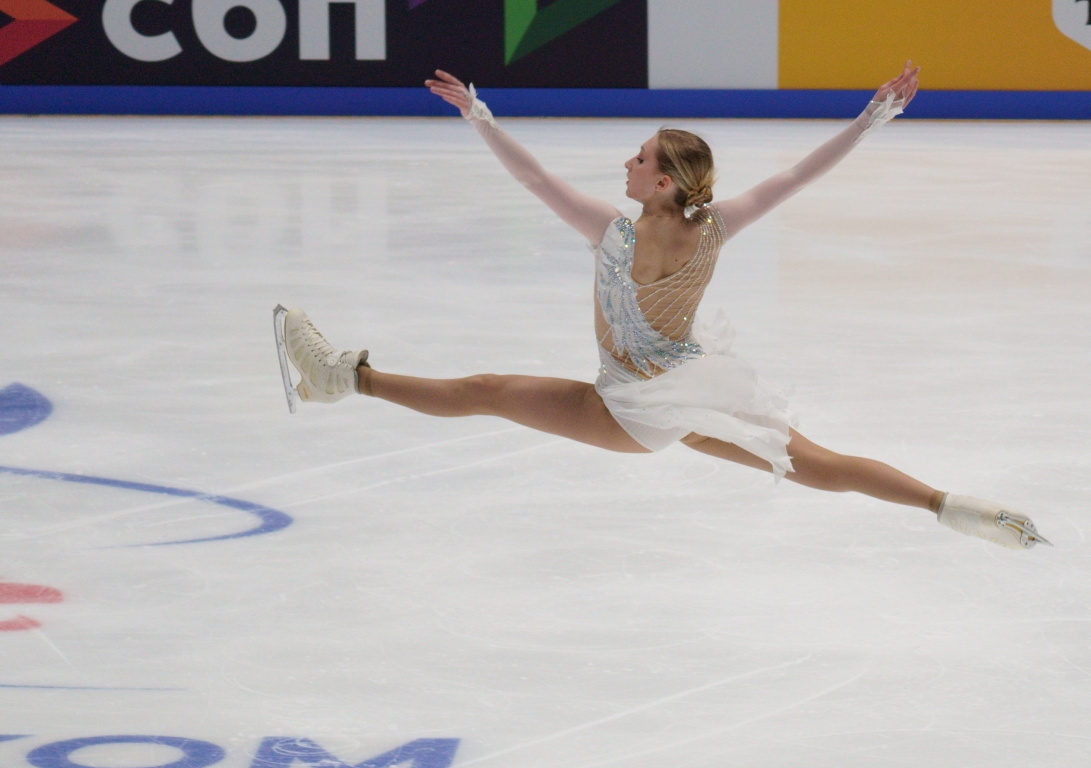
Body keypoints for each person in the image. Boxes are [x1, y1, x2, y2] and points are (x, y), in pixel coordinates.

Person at [276, 65, 1050, 549]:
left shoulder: (615, 231)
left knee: (488, 391)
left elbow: (535, 180)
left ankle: (344, 377)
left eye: (640, 157)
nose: (627, 160)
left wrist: (482, 119)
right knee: (815, 463)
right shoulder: (708, 227)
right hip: (688, 390)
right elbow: (797, 177)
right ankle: (952, 505)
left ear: (665, 181)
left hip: (632, 408)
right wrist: (868, 121)